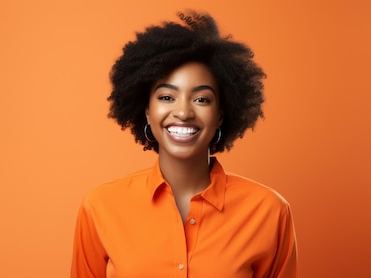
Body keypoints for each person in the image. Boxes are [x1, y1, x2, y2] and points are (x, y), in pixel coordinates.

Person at [70, 10, 298, 278]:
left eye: (201, 99)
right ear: (146, 110)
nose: (183, 112)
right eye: (167, 97)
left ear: (220, 114)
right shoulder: (100, 207)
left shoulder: (268, 211)